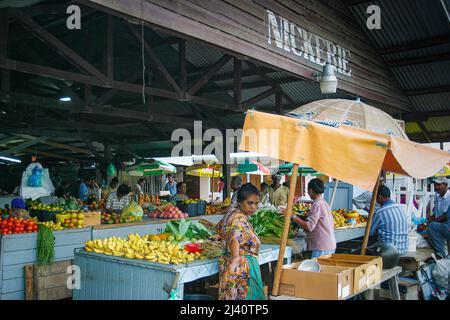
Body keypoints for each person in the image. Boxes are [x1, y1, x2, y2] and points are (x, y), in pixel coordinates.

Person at [216, 183, 265, 300]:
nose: (254, 207)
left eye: (256, 203)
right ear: (239, 202)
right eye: (250, 203)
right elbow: (235, 237)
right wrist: (235, 258)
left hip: (229, 265)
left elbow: (218, 228)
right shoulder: (239, 219)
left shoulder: (231, 214)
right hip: (240, 268)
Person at [291, 178, 336, 258]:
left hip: (322, 247)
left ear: (311, 190)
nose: (308, 193)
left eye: (308, 190)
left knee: (317, 270)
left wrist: (293, 216)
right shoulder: (324, 202)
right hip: (328, 245)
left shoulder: (317, 204)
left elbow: (309, 227)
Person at [369, 185, 408, 255]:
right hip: (402, 249)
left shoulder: (380, 212)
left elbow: (370, 232)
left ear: (380, 197)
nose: (375, 201)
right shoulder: (400, 208)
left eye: (376, 198)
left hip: (388, 253)